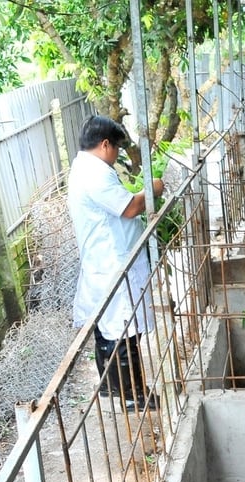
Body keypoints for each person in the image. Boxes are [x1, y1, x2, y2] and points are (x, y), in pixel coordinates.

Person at [67, 115, 164, 412]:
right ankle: (133, 397)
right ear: (105, 144)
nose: (118, 155)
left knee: (110, 328)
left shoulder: (84, 167)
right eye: (118, 148)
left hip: (107, 259)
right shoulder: (94, 173)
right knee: (124, 329)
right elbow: (130, 207)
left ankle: (112, 389)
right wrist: (155, 188)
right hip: (111, 262)